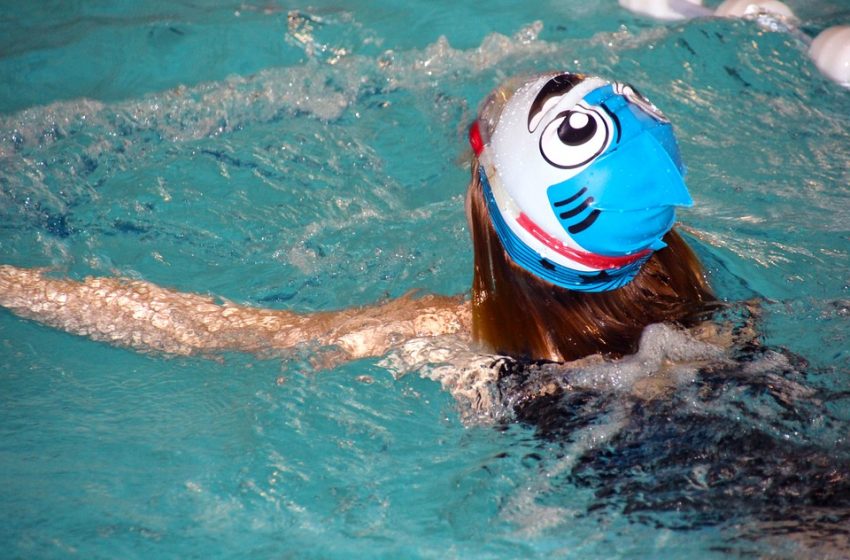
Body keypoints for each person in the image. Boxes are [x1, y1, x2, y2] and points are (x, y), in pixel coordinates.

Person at [0, 72, 724, 395]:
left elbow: (216, 332)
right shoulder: (699, 304)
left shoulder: (452, 339)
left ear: (501, 235)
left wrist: (15, 285)